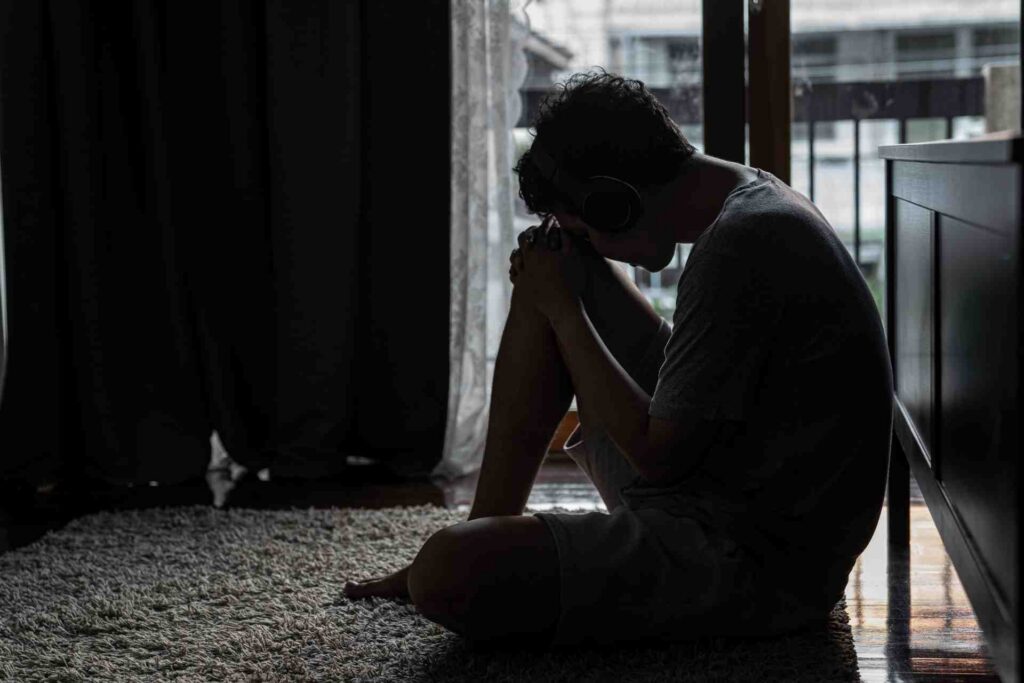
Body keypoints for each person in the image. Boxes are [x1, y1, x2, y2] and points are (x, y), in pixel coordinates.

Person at [344, 70, 893, 649]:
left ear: (614, 202)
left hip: (760, 565)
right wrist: (557, 287)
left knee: (445, 574)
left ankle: (475, 543)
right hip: (733, 487)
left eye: (587, 229)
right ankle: (484, 522)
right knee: (552, 275)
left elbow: (660, 459)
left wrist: (565, 310)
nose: (589, 244)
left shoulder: (741, 244)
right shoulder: (751, 198)